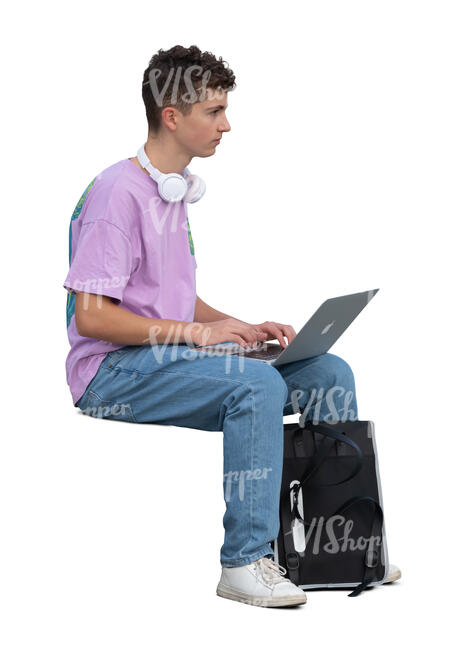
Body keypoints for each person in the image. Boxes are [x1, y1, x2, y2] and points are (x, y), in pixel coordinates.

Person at [63, 44, 401, 607]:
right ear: (173, 117)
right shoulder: (116, 196)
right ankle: (244, 561)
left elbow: (168, 296)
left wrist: (235, 325)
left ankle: (331, 548)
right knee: (257, 384)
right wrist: (199, 336)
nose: (227, 125)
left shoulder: (168, 195)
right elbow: (93, 315)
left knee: (327, 371)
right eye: (214, 112)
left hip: (162, 355)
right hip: (111, 372)